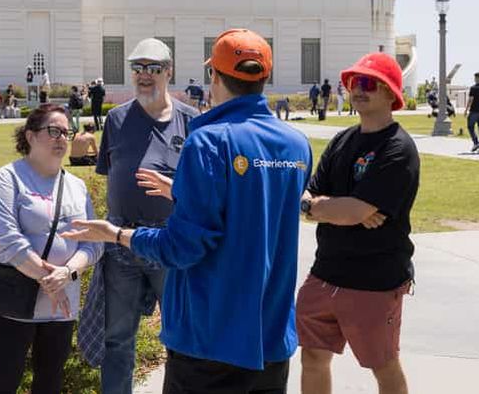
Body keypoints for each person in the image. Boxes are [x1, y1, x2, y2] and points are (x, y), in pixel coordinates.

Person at [65, 29, 311, 394]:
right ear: (264, 77)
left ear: (214, 75)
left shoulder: (209, 140)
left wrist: (117, 234)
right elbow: (248, 208)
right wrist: (181, 189)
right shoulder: (295, 144)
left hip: (210, 338)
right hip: (270, 337)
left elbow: (183, 246)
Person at [78, 37, 198, 394]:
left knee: (181, 336)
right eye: (138, 68)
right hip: (121, 245)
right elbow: (109, 173)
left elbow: (206, 188)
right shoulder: (116, 119)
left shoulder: (192, 122)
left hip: (170, 244)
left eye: (154, 68)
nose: (145, 75)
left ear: (169, 72)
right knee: (117, 339)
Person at [297, 52, 419, 394]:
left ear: (390, 93)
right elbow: (311, 196)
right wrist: (333, 208)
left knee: (383, 365)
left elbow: (349, 211)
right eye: (353, 82)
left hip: (375, 282)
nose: (358, 89)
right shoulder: (341, 141)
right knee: (313, 358)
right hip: (324, 274)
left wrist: (337, 209)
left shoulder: (399, 149)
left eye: (368, 83)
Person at [0, 104, 104, 394]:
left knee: (50, 384)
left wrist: (68, 273)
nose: (62, 138)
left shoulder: (76, 186)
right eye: (53, 131)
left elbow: (93, 244)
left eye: (66, 132)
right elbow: (7, 241)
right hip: (11, 306)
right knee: (2, 385)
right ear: (31, 135)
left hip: (61, 309)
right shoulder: (7, 179)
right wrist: (50, 282)